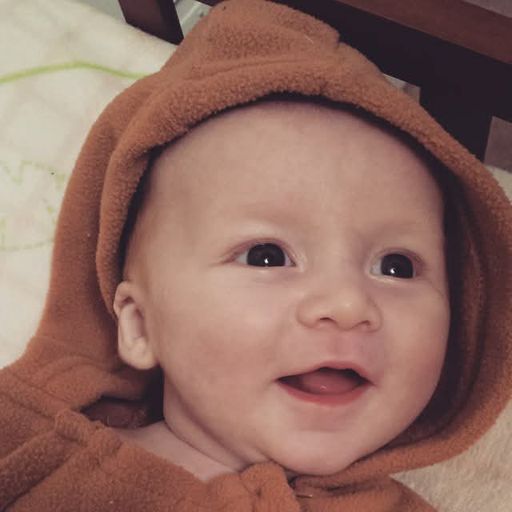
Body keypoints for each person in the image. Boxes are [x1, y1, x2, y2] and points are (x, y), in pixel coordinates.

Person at [1, 1, 511, 511]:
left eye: (396, 267)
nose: (348, 303)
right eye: (266, 257)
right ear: (139, 325)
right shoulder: (34, 453)